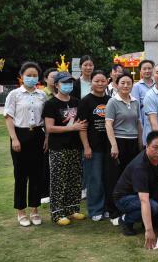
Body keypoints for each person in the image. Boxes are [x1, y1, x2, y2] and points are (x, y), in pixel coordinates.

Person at [4, 62, 47, 227]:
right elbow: (8, 117)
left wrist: (47, 137)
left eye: (35, 75)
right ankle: (21, 212)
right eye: (28, 75)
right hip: (20, 135)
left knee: (37, 174)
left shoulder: (42, 95)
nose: (31, 78)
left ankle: (34, 210)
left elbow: (46, 119)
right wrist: (14, 138)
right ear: (21, 76)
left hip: (38, 135)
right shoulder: (14, 94)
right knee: (21, 175)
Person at [43, 71, 88, 226]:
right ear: (56, 85)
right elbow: (50, 128)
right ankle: (57, 213)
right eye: (64, 83)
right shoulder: (51, 104)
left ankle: (72, 208)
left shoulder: (77, 102)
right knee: (59, 180)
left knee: (74, 179)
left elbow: (81, 124)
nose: (68, 85)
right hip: (58, 148)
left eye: (70, 83)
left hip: (75, 146)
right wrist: (72, 128)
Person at [112, 131, 158, 248]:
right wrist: (149, 230)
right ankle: (125, 220)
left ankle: (147, 219)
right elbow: (144, 200)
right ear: (147, 146)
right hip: (123, 198)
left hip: (140, 195)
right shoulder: (140, 167)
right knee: (153, 206)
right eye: (155, 147)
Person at [105, 72, 144, 222]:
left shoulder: (135, 102)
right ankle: (113, 211)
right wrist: (114, 145)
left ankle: (127, 209)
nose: (126, 86)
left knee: (130, 178)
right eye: (122, 83)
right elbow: (108, 124)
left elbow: (138, 123)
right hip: (118, 142)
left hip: (133, 143)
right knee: (115, 178)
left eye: (129, 83)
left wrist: (140, 143)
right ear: (117, 84)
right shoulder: (112, 102)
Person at [77, 70, 111, 221]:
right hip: (93, 147)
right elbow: (82, 127)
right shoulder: (85, 101)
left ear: (107, 82)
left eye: (103, 81)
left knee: (107, 178)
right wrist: (86, 147)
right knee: (94, 179)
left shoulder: (111, 100)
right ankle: (95, 209)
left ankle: (107, 208)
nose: (100, 84)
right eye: (97, 81)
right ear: (91, 83)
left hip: (108, 147)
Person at [40, 67, 58, 203]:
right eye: (52, 77)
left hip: (58, 132)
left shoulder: (61, 94)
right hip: (45, 132)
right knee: (45, 164)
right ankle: (45, 192)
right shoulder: (42, 95)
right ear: (46, 79)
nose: (55, 79)